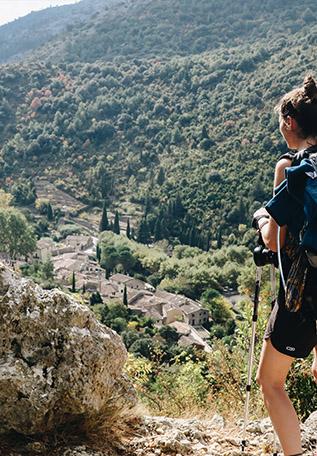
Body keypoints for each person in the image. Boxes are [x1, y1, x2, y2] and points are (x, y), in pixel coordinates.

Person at [253, 75, 317, 456]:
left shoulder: (292, 169)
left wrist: (261, 217)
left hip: (305, 291)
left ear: (290, 123)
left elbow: (273, 240)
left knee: (271, 382)